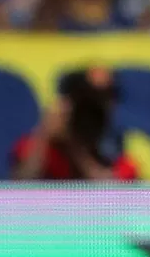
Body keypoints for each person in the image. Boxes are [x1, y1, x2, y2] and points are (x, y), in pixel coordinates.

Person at [11, 67, 139, 181]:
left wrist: (77, 149)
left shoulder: (113, 153)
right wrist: (44, 132)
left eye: (104, 99)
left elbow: (115, 192)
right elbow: (22, 183)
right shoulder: (38, 147)